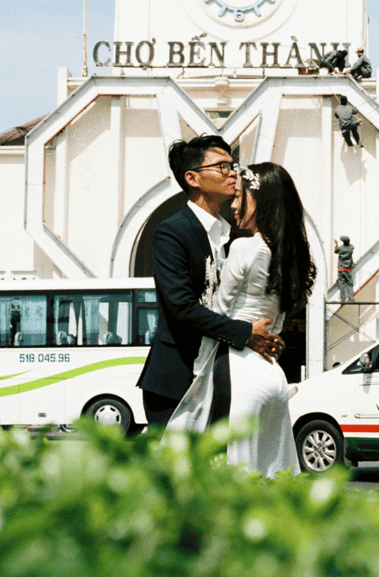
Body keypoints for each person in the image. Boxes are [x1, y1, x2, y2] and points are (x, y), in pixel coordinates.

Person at [169, 162, 316, 477]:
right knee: (273, 474)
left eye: (239, 196)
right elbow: (274, 328)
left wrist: (198, 372)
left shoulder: (245, 247)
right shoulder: (291, 256)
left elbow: (221, 312)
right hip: (272, 375)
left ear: (259, 200)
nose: (233, 205)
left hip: (236, 371)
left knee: (227, 476)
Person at [136, 136, 284, 427]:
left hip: (223, 376)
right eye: (222, 166)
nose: (233, 173)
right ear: (193, 178)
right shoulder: (171, 232)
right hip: (177, 380)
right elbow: (182, 308)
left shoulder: (234, 237)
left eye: (233, 166)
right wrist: (245, 333)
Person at [333, 236, 355, 301]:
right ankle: (351, 298)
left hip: (341, 269)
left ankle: (343, 299)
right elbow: (352, 246)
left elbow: (335, 251)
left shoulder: (340, 248)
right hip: (348, 269)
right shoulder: (351, 248)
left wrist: (336, 244)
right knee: (350, 284)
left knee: (341, 284)